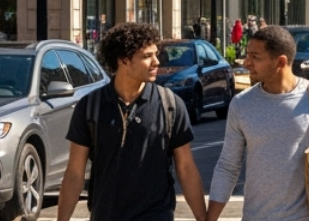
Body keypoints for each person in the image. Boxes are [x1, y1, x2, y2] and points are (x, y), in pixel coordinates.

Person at [206, 25, 309, 221]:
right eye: (248, 55)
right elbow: (228, 166)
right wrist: (210, 218)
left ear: (280, 62)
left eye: (255, 57)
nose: (247, 63)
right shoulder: (241, 104)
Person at [57, 21, 208, 221]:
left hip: (156, 215)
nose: (156, 62)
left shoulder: (170, 105)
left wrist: (203, 218)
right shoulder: (90, 106)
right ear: (123, 60)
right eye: (147, 56)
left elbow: (186, 168)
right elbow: (75, 173)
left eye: (156, 54)